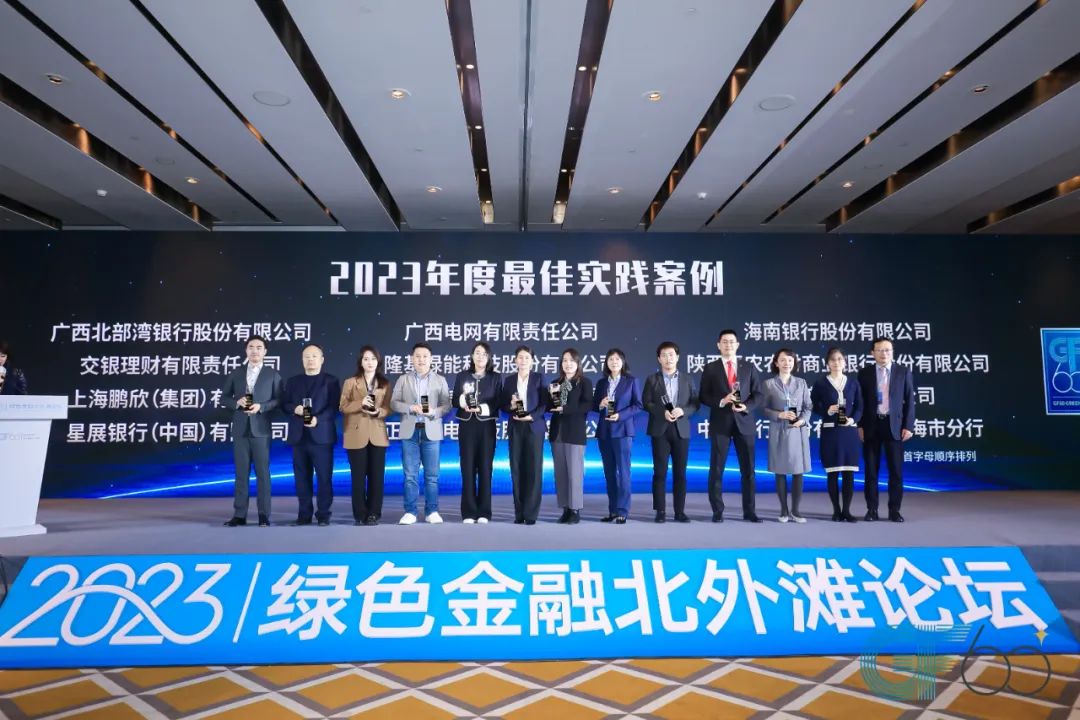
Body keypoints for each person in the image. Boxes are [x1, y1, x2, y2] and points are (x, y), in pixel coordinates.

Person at [699, 329, 763, 523]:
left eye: (731, 341)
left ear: (737, 345)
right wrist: (721, 401)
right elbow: (703, 396)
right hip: (720, 423)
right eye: (724, 342)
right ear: (718, 345)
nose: (728, 345)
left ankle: (750, 511)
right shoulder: (711, 368)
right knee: (717, 469)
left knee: (748, 470)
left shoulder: (748, 367)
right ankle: (717, 510)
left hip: (744, 422)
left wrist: (746, 406)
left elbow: (758, 394)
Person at [221, 335, 283, 527]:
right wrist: (236, 403)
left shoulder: (272, 374)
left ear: (265, 351)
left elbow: (279, 400)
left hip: (261, 430)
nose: (254, 350)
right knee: (241, 473)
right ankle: (240, 514)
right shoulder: (236, 373)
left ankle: (264, 515)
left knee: (263, 474)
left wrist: (261, 407)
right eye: (251, 347)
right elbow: (224, 398)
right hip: (241, 430)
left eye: (259, 347)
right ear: (246, 350)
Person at [391, 342, 451, 525]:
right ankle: (410, 511)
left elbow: (447, 405)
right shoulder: (403, 379)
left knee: (432, 476)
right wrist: (410, 407)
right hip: (410, 431)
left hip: (431, 430)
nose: (421, 360)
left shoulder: (440, 380)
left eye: (425, 356)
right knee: (410, 475)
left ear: (431, 359)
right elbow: (394, 403)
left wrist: (433, 412)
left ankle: (432, 511)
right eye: (417, 356)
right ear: (412, 359)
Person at [858, 337, 916, 522]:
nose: (884, 354)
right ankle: (872, 510)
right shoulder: (864, 373)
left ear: (892, 352)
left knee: (896, 472)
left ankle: (894, 510)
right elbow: (860, 403)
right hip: (871, 425)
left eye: (888, 350)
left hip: (894, 426)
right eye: (880, 350)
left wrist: (908, 425)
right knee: (871, 471)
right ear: (872, 353)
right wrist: (859, 425)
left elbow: (910, 400)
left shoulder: (902, 372)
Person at [282, 343, 340, 526]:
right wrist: (295, 408)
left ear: (322, 359)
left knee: (324, 478)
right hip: (299, 438)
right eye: (307, 356)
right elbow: (285, 404)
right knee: (301, 479)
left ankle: (323, 515)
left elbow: (334, 407)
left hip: (322, 437)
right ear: (302, 360)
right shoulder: (293, 382)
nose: (310, 360)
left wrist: (318, 419)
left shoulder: (331, 381)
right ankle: (304, 514)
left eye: (314, 356)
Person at [642, 341, 699, 523]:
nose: (668, 358)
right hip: (660, 430)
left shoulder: (687, 379)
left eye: (671, 355)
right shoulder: (652, 379)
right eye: (664, 355)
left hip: (681, 430)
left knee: (680, 474)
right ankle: (660, 511)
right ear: (659, 359)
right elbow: (646, 403)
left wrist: (683, 411)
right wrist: (662, 412)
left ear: (678, 357)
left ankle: (679, 511)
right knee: (659, 473)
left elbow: (695, 404)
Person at [340, 346, 391, 525]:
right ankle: (360, 514)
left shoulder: (385, 384)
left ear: (378, 362)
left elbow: (388, 408)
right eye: (366, 359)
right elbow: (342, 406)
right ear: (360, 362)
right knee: (358, 477)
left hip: (377, 433)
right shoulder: (350, 382)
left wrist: (378, 412)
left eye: (373, 359)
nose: (370, 362)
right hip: (356, 433)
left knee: (377, 477)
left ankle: (374, 513)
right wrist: (359, 403)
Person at [451, 342, 500, 524]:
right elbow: (455, 400)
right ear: (472, 356)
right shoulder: (462, 376)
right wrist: (464, 402)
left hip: (487, 426)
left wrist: (481, 408)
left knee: (486, 468)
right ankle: (469, 512)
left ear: (489, 357)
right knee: (468, 468)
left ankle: (484, 512)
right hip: (467, 426)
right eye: (477, 353)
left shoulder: (495, 377)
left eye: (484, 354)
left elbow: (498, 401)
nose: (480, 356)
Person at [812, 347, 863, 522]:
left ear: (845, 362)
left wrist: (853, 419)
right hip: (830, 431)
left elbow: (860, 406)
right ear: (827, 363)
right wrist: (827, 410)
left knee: (849, 473)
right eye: (833, 360)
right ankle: (836, 510)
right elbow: (813, 405)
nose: (836, 362)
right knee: (832, 472)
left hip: (848, 431)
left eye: (840, 359)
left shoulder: (853, 383)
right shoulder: (821, 383)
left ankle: (847, 510)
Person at [761, 349, 812, 523]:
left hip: (797, 431)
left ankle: (796, 510)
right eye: (783, 360)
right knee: (780, 470)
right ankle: (783, 510)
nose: (786, 363)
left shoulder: (801, 383)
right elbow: (763, 409)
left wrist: (803, 420)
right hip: (779, 430)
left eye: (790, 360)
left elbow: (808, 406)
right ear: (776, 363)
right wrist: (779, 415)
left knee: (798, 471)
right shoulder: (768, 384)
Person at [593, 348, 641, 524]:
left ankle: (623, 510)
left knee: (623, 472)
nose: (614, 362)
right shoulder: (601, 383)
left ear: (623, 362)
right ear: (606, 363)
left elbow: (638, 405)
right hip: (604, 432)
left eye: (617, 359)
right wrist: (600, 404)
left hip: (622, 431)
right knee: (609, 473)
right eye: (610, 359)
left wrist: (620, 415)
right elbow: (593, 406)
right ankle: (613, 510)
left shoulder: (631, 381)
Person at [501, 345, 547, 525]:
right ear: (515, 360)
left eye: (527, 357)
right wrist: (511, 406)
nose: (523, 360)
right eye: (520, 357)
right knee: (517, 469)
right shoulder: (509, 380)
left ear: (532, 361)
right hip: (516, 427)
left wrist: (531, 416)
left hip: (534, 427)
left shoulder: (539, 378)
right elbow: (503, 405)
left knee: (534, 470)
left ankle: (531, 514)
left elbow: (545, 404)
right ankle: (519, 513)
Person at [547, 348, 593, 525]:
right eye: (565, 360)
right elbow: (548, 406)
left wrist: (564, 409)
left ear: (578, 363)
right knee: (560, 473)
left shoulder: (584, 383)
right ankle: (565, 508)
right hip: (557, 433)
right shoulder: (555, 383)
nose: (568, 364)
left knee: (575, 473)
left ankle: (575, 509)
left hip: (574, 433)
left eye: (571, 361)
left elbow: (587, 405)